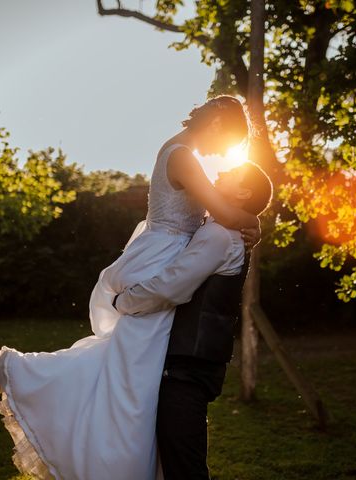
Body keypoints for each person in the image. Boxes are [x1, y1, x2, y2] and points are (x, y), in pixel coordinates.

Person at [0, 95, 261, 480]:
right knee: (131, 374)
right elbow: (223, 212)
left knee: (126, 363)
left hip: (163, 257)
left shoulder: (184, 153)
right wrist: (253, 218)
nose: (222, 154)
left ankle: (23, 381)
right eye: (227, 143)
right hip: (159, 264)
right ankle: (17, 376)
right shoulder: (183, 155)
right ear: (219, 121)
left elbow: (214, 214)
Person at [114, 162, 273, 480]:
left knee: (185, 467)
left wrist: (123, 301)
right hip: (192, 362)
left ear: (243, 192)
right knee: (176, 461)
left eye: (232, 173)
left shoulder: (218, 235)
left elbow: (172, 285)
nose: (221, 173)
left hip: (189, 365)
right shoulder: (221, 228)